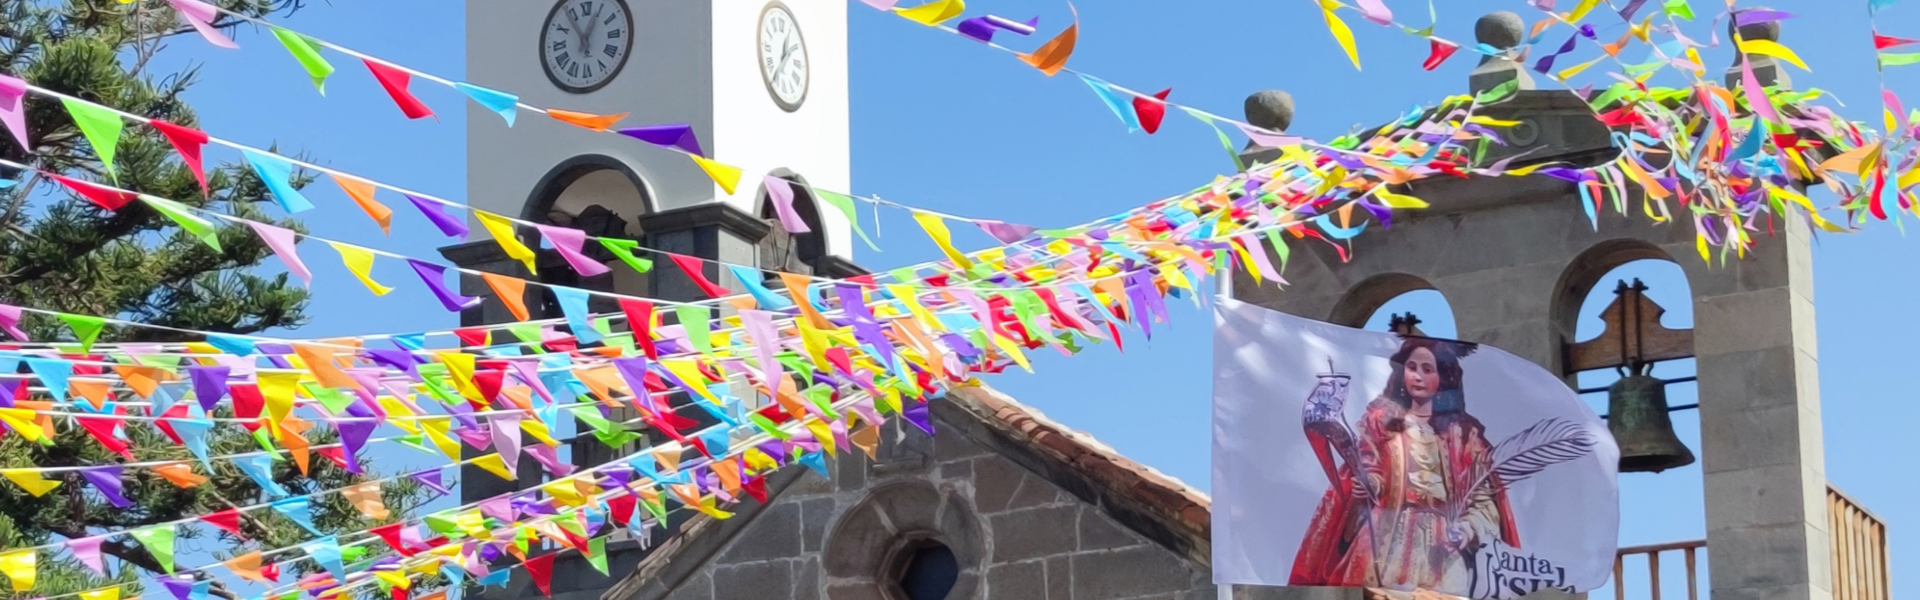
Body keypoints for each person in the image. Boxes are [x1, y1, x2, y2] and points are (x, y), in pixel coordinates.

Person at [1290, 337, 1519, 592]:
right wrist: (1370, 484)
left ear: (1443, 376)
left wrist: (1467, 529)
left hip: (1444, 545)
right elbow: (1371, 463)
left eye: (1427, 369)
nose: (1418, 376)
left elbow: (1483, 497)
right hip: (1387, 536)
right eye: (1412, 367)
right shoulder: (1381, 423)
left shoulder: (1463, 435)